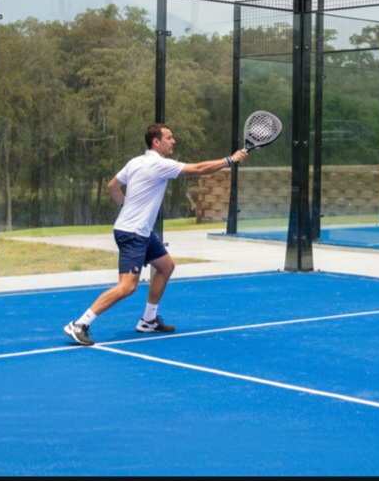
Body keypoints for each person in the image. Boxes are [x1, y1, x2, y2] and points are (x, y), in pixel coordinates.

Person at [63, 124, 248, 346]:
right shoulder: (160, 165)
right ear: (156, 142)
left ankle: (148, 320)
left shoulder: (135, 162)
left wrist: (126, 207)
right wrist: (229, 160)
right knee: (127, 286)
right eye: (169, 138)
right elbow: (198, 169)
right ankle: (79, 324)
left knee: (166, 266)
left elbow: (112, 186)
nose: (173, 141)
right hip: (132, 233)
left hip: (139, 231)